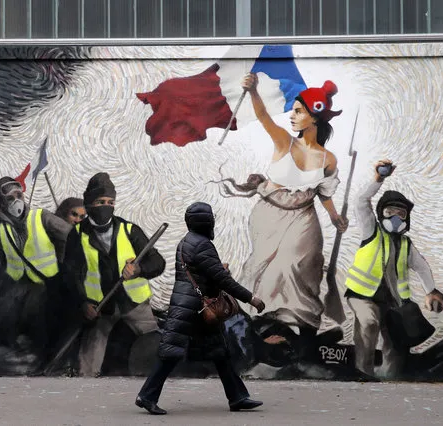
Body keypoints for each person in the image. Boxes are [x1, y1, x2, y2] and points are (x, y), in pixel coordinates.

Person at [220, 74, 348, 339]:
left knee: (298, 263)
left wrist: (335, 217)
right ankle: (267, 319)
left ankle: (299, 324)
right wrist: (253, 90)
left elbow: (324, 192)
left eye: (299, 111)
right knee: (267, 268)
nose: (292, 116)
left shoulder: (328, 158)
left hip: (304, 215)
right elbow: (264, 116)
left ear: (314, 117)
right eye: (293, 110)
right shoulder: (284, 141)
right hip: (270, 214)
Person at [135, 202, 266, 415]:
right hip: (193, 308)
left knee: (219, 352)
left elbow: (202, 272)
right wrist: (251, 298)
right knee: (170, 354)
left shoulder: (185, 242)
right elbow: (222, 280)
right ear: (207, 222)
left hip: (192, 306)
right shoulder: (202, 245)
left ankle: (238, 397)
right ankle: (146, 396)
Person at [345, 159, 443, 378]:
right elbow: (361, 201)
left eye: (401, 214)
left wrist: (431, 291)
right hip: (362, 294)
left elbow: (421, 268)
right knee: (369, 323)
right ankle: (363, 372)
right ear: (381, 213)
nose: (395, 217)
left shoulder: (406, 244)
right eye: (390, 211)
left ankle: (391, 375)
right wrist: (378, 178)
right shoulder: (371, 231)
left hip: (392, 300)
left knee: (396, 338)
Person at [63, 172, 166, 377]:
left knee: (156, 345)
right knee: (87, 364)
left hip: (134, 304)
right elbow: (71, 274)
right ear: (89, 203)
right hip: (101, 307)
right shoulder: (77, 235)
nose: (106, 206)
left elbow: (157, 263)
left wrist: (138, 270)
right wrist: (83, 303)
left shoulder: (130, 230)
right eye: (100, 201)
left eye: (110, 202)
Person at [0, 177, 74, 358]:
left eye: (18, 195)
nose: (16, 201)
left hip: (50, 284)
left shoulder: (41, 217)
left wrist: (64, 262)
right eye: (9, 198)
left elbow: (72, 237)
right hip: (17, 288)